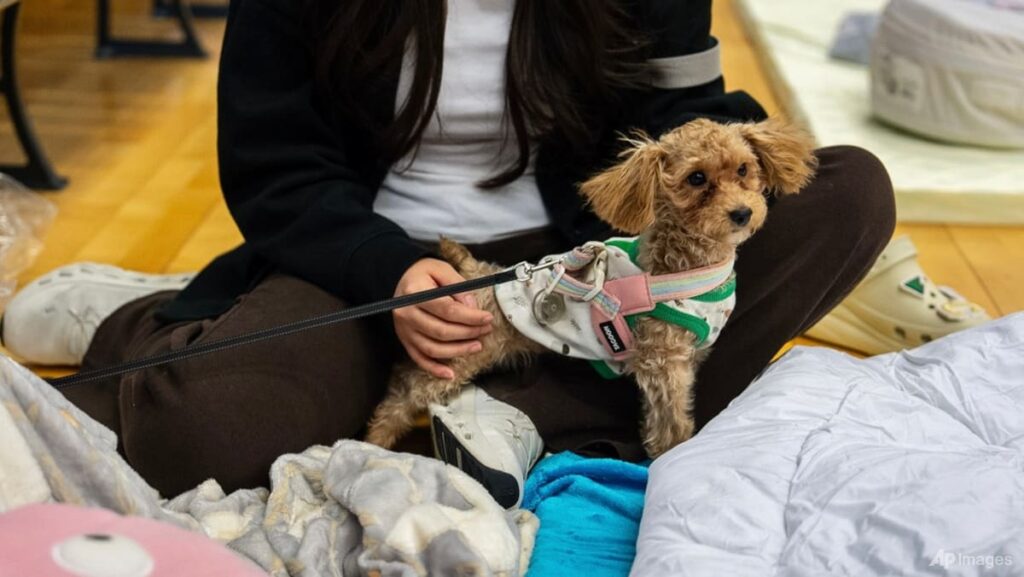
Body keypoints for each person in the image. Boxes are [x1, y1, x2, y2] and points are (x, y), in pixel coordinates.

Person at [1, 0, 895, 505]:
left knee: (851, 192)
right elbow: (277, 166)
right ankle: (148, 310)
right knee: (198, 436)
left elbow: (677, 123)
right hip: (375, 253)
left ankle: (511, 405)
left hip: (588, 262)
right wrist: (387, 271)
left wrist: (738, 169)